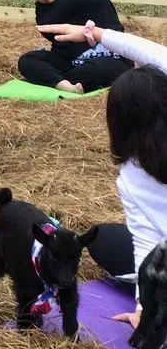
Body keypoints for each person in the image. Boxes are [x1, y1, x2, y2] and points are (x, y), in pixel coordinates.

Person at [38, 21, 167, 330]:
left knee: (104, 238)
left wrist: (143, 307)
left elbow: (146, 242)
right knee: (107, 238)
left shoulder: (132, 176)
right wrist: (98, 35)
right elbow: (158, 55)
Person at [17, 0, 131, 93]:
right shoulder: (43, 13)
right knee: (27, 61)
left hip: (109, 53)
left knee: (107, 69)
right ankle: (64, 85)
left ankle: (55, 78)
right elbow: (59, 45)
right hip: (72, 61)